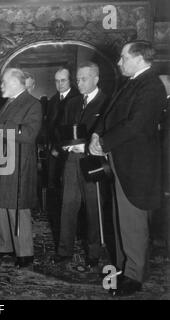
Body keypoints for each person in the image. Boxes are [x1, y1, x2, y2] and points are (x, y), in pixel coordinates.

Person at [89, 40, 167, 296]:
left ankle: (134, 276)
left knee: (133, 221)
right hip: (121, 162)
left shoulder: (151, 85)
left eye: (123, 57)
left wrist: (105, 142)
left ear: (139, 58)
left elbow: (135, 125)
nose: (119, 62)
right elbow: (109, 114)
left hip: (136, 166)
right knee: (121, 220)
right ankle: (124, 268)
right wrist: (96, 136)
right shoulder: (131, 83)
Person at [0, 68, 42, 268]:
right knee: (1, 205)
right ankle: (5, 247)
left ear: (17, 83)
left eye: (4, 83)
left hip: (19, 165)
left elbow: (28, 134)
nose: (1, 86)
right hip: (2, 161)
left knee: (17, 207)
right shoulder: (8, 103)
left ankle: (25, 254)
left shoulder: (33, 104)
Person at [52, 62, 108, 269]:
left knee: (93, 208)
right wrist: (65, 146)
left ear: (96, 79)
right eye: (77, 79)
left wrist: (86, 147)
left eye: (84, 79)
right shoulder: (72, 103)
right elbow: (63, 129)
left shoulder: (107, 102)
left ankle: (93, 253)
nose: (79, 82)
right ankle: (64, 250)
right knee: (68, 205)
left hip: (93, 162)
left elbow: (107, 133)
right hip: (71, 161)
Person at [46, 67, 80, 189]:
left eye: (63, 80)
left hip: (69, 150)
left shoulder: (78, 98)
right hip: (53, 150)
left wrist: (59, 147)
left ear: (70, 80)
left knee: (69, 186)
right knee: (54, 182)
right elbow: (50, 125)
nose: (59, 84)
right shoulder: (53, 100)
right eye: (56, 81)